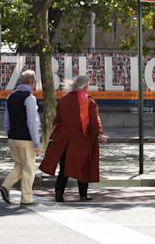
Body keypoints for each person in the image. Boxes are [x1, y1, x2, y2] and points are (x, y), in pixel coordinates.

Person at [40, 74, 106, 202]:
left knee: (64, 169)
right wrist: (100, 133)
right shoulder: (89, 101)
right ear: (85, 86)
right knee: (84, 167)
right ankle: (83, 194)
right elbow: (94, 121)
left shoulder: (64, 100)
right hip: (83, 140)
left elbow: (57, 120)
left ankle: (59, 193)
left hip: (65, 140)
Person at [0, 69, 41, 206]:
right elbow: (32, 122)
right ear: (33, 83)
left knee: (19, 165)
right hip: (25, 139)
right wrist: (36, 142)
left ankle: (6, 186)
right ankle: (26, 198)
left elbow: (7, 119)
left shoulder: (11, 96)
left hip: (13, 137)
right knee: (29, 168)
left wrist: (9, 133)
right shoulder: (29, 98)